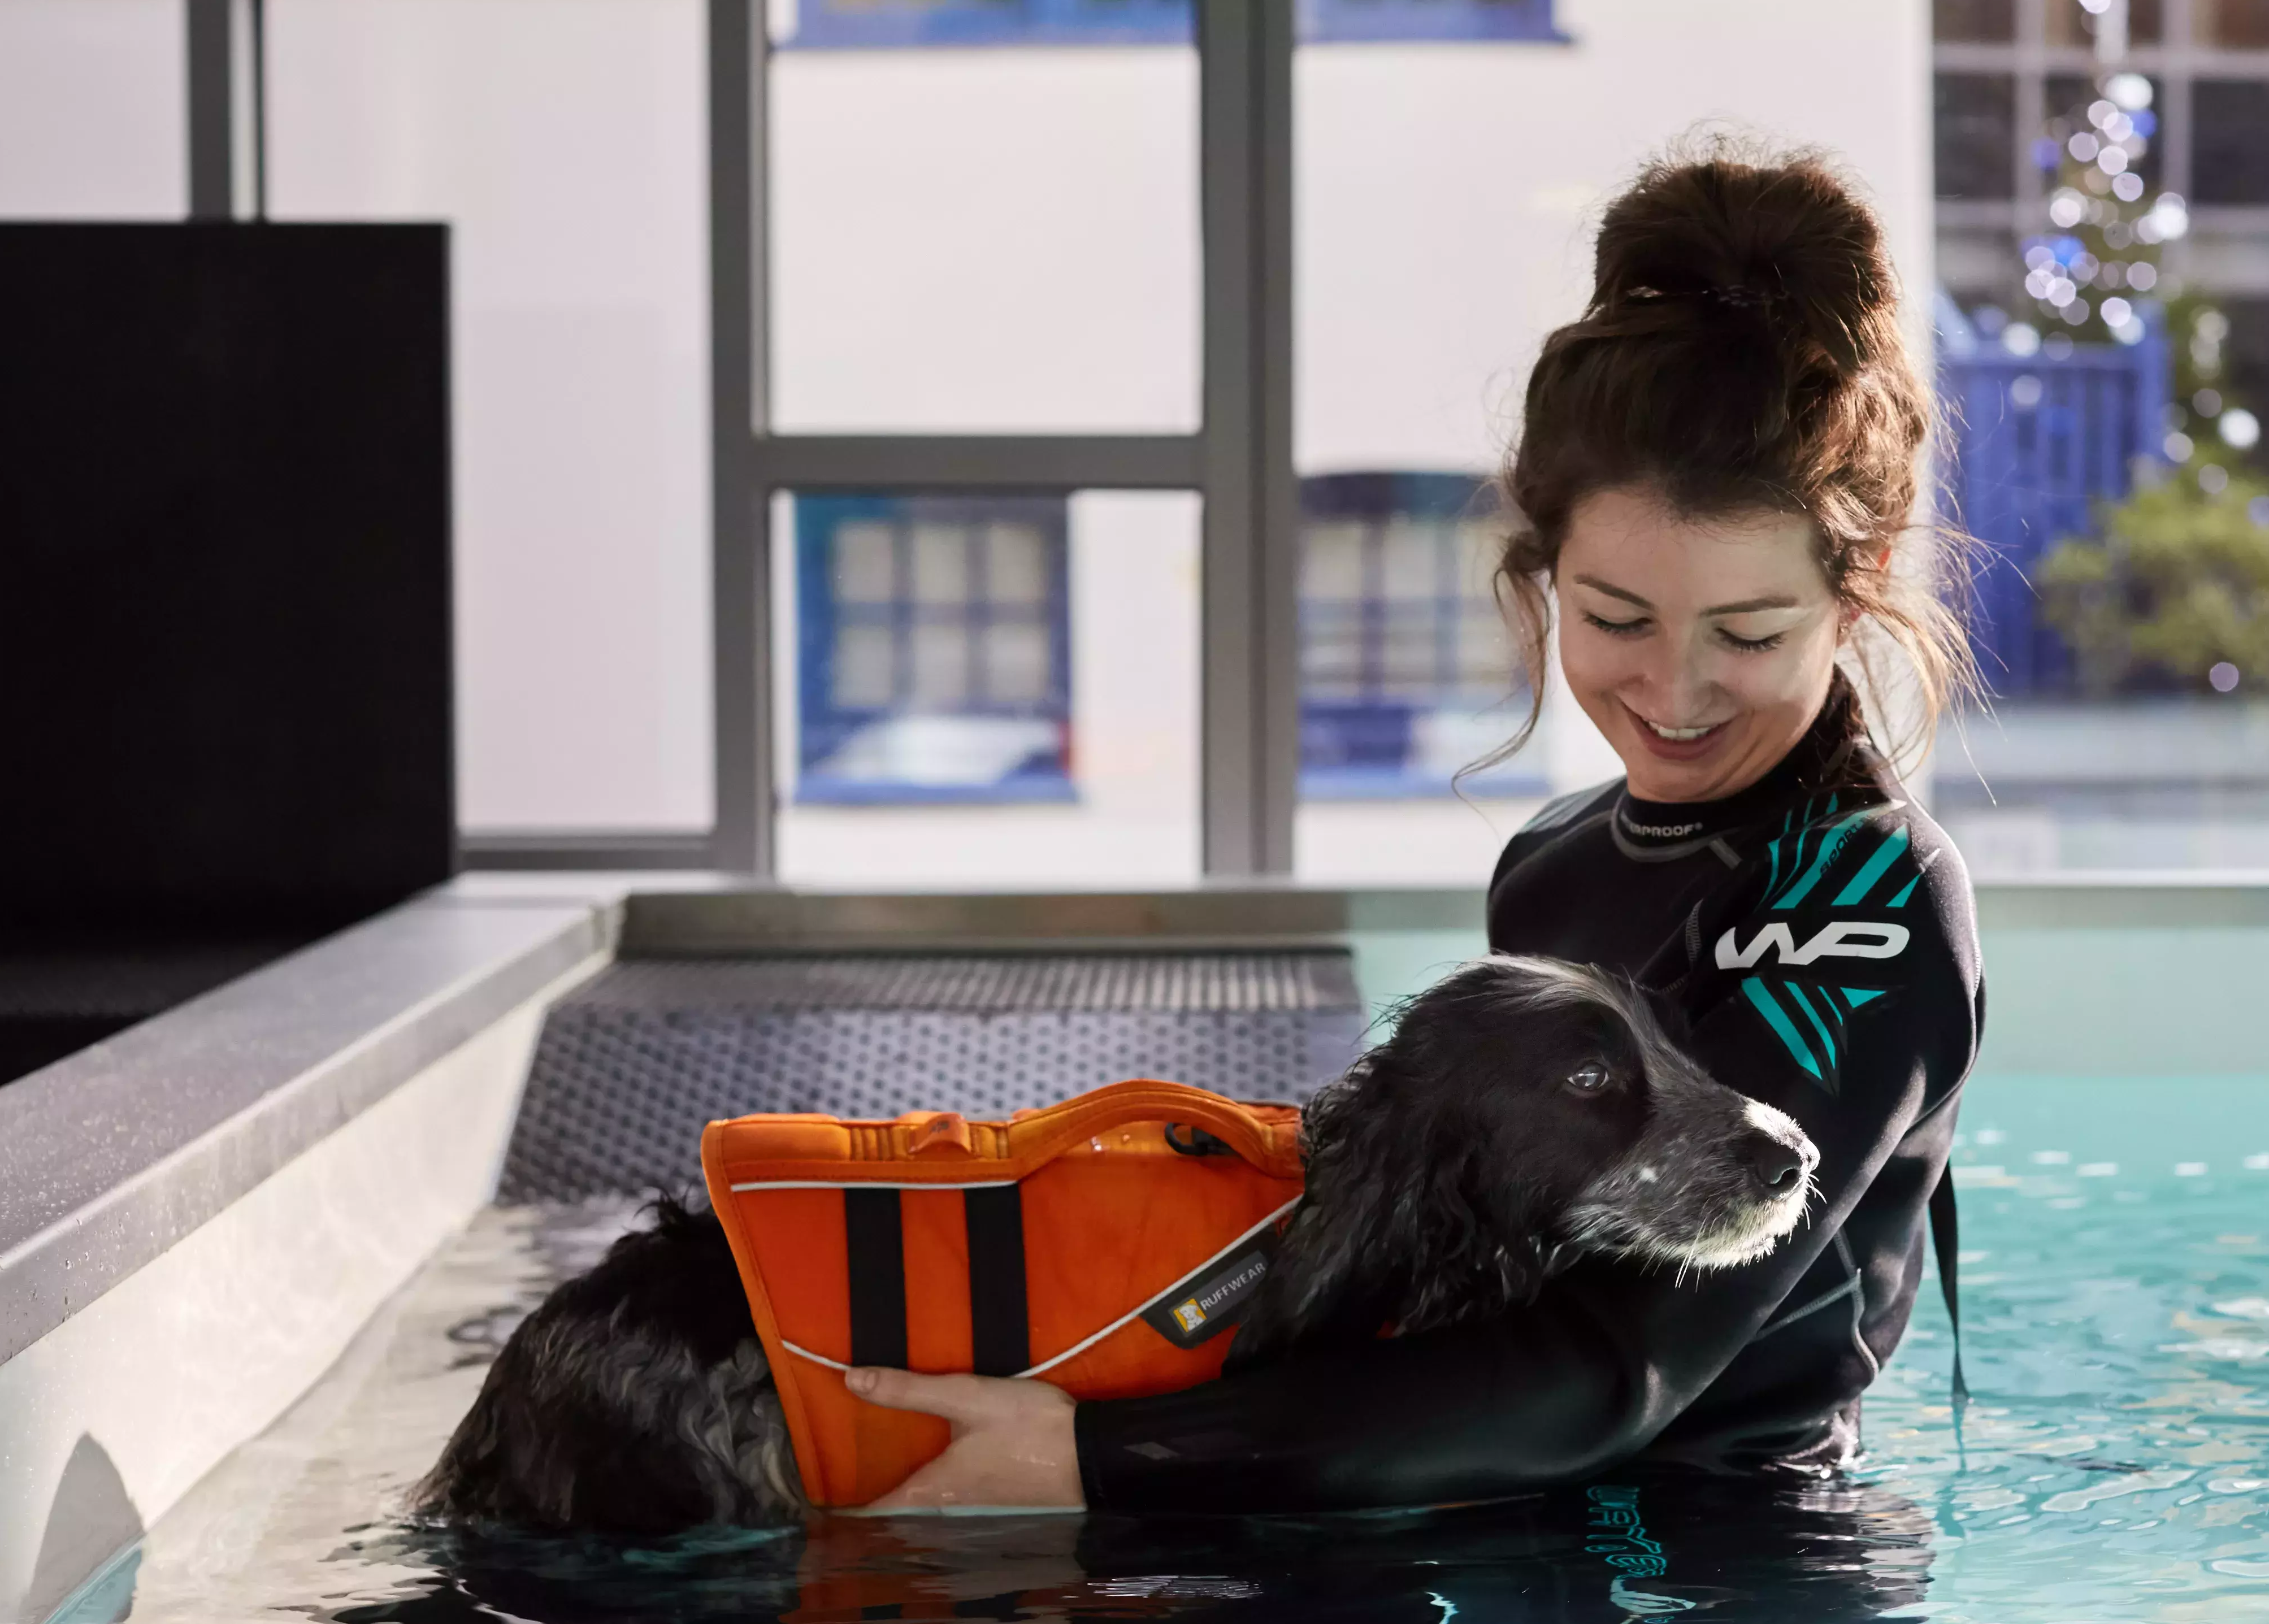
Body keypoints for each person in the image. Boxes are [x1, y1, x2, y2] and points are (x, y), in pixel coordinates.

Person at [847, 143, 1986, 1513]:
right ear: (1540, 573)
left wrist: (1096, 1464)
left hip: (1739, 1582)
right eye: (1616, 619)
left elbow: (1620, 1366)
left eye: (1747, 634)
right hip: (1500, 1509)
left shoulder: (1867, 897)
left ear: (1853, 598)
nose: (1673, 693)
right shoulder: (1554, 868)